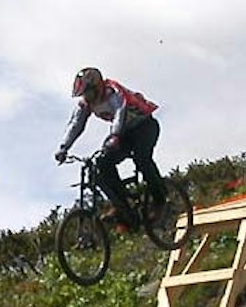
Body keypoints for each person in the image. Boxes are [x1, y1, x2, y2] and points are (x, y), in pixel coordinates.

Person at [54, 67, 167, 231]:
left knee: (142, 159)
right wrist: (63, 148)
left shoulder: (112, 91)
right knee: (102, 163)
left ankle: (160, 200)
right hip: (126, 133)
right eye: (83, 94)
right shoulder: (86, 103)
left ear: (97, 86)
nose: (86, 97)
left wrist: (114, 136)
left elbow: (120, 112)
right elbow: (76, 124)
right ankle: (122, 205)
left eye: (88, 92)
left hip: (144, 126)